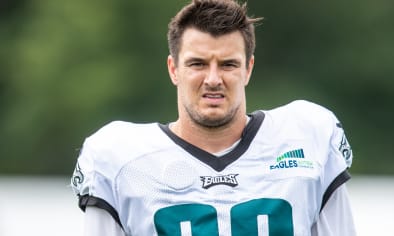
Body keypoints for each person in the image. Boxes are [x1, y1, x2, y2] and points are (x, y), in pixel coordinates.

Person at [71, 0, 356, 235]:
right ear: (173, 69)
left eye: (228, 64)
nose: (213, 79)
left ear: (248, 68)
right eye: (197, 64)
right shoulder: (120, 159)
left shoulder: (307, 136)